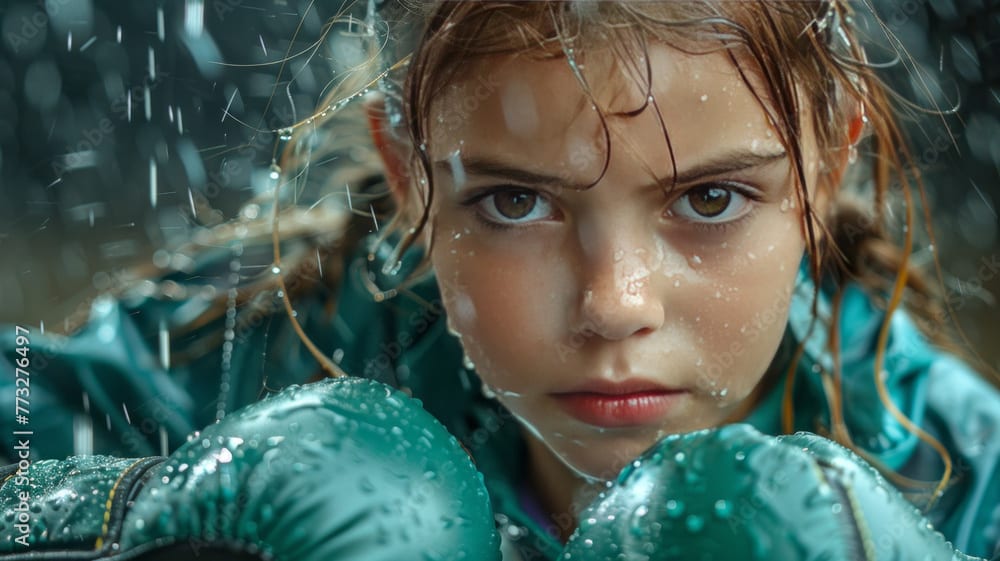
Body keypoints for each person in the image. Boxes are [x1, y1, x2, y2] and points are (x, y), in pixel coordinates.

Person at [1, 1, 998, 559]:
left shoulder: (955, 462)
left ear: (823, 174)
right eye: (517, 204)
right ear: (408, 172)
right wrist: (146, 513)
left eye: (709, 201)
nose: (615, 303)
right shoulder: (254, 341)